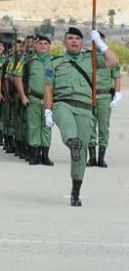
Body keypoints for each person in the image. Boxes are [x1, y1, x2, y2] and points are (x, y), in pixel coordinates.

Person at [44, 27, 121, 206]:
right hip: (63, 103)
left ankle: (75, 192)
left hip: (85, 108)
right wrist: (48, 110)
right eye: (70, 38)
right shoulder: (53, 63)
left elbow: (113, 60)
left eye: (77, 39)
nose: (74, 41)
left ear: (82, 42)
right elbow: (48, 88)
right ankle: (71, 140)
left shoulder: (92, 59)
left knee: (80, 154)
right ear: (64, 42)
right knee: (69, 129)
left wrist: (100, 43)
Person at [12, 34, 54, 166]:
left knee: (47, 127)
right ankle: (34, 155)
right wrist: (23, 96)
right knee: (34, 127)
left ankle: (45, 155)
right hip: (33, 99)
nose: (42, 46)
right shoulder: (27, 60)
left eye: (45, 44)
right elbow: (17, 78)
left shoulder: (55, 62)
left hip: (49, 100)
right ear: (35, 46)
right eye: (40, 44)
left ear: (49, 47)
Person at [88, 32, 122, 168]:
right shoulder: (87, 57)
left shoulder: (110, 58)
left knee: (103, 128)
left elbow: (117, 77)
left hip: (104, 97)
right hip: (89, 96)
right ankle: (92, 157)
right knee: (90, 127)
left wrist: (117, 94)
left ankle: (101, 158)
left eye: (99, 41)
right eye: (95, 41)